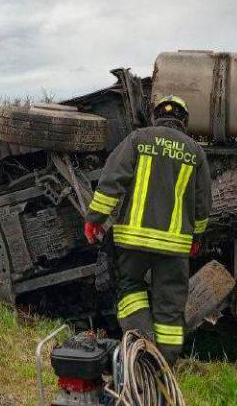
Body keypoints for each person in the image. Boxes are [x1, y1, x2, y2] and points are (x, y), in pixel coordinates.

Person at [84, 95, 212, 366]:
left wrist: (95, 218)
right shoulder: (194, 151)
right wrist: (196, 238)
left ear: (155, 116)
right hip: (174, 247)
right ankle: (163, 365)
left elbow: (111, 180)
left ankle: (141, 347)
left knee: (130, 288)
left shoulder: (138, 139)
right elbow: (202, 205)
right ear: (184, 121)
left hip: (132, 241)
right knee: (170, 307)